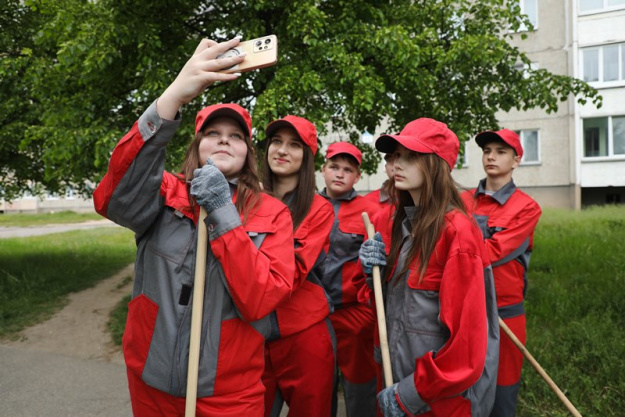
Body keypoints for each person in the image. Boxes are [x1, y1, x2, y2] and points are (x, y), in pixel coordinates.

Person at [93, 38, 295, 417]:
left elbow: (260, 299)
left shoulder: (272, 212)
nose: (223, 140)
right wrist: (171, 98)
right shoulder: (167, 190)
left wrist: (222, 210)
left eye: (236, 136)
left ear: (249, 153)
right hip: (151, 380)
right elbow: (113, 200)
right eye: (213, 134)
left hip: (229, 393)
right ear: (196, 145)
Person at [358, 118, 499, 417]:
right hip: (397, 381)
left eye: (410, 157)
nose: (397, 164)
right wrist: (374, 276)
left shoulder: (457, 232)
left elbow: (467, 347)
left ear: (436, 165)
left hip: (439, 401)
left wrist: (408, 394)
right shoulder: (403, 224)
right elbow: (398, 311)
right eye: (396, 156)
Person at [460, 129, 542, 417]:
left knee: (503, 392)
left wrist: (457, 251)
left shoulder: (527, 208)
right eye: (487, 150)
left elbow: (493, 252)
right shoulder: (462, 201)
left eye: (501, 151)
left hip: (505, 311)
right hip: (464, 309)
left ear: (516, 160)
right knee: (464, 387)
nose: (491, 156)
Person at [260, 115, 336, 417]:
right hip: (253, 334)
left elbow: (289, 272)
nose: (282, 150)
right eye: (276, 141)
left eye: (294, 145)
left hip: (305, 334)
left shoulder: (319, 208)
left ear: (307, 156)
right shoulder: (245, 199)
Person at [319, 142, 379, 417]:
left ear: (357, 175)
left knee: (360, 385)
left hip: (354, 313)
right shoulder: (307, 205)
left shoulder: (371, 210)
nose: (340, 174)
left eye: (348, 169)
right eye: (334, 167)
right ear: (323, 169)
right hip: (315, 314)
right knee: (319, 385)